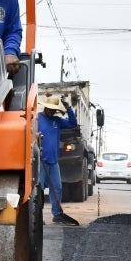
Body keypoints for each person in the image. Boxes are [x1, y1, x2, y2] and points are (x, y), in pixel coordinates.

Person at [37, 95, 79, 224]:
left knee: (57, 188)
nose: (52, 111)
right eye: (50, 109)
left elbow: (73, 123)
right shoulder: (36, 118)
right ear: (45, 107)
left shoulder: (57, 121)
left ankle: (57, 214)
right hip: (40, 161)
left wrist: (68, 107)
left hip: (53, 162)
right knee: (38, 190)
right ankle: (37, 216)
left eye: (54, 110)